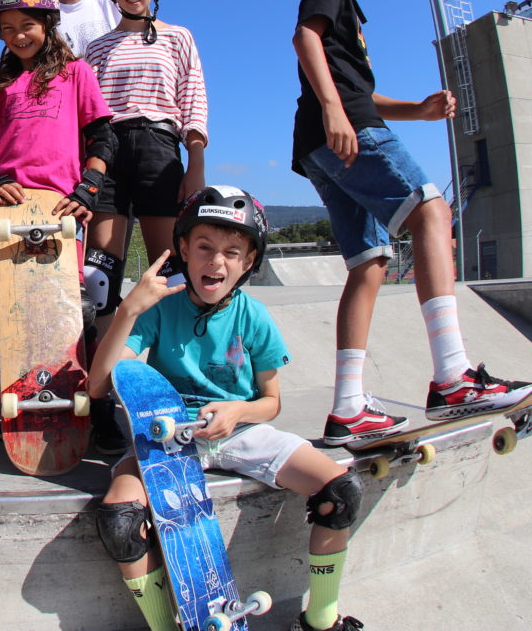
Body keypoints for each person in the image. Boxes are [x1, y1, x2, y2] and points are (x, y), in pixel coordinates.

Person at [291, 0, 532, 446]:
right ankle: (453, 376)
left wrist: (417, 111)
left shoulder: (354, 21)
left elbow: (361, 91)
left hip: (324, 141)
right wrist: (333, 110)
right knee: (432, 209)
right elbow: (305, 39)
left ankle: (348, 406)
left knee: (371, 264)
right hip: (343, 130)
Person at [89, 187, 365, 631]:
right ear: (183, 249)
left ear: (249, 261)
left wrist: (238, 412)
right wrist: (127, 312)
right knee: (121, 520)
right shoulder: (159, 311)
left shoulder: (254, 318)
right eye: (204, 248)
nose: (216, 262)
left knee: (341, 493)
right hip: (167, 439)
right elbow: (100, 384)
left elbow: (270, 402)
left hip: (240, 432)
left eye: (232, 252)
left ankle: (321, 619)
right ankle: (164, 625)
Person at [0, 0, 120, 452]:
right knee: (18, 310)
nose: (17, 35)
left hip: (61, 209)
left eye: (27, 24)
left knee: (67, 309)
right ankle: (21, 398)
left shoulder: (76, 74)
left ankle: (89, 405)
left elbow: (102, 136)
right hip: (10, 209)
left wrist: (89, 188)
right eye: (7, 28)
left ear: (48, 23)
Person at [83, 0, 208, 331]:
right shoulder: (97, 47)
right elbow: (89, 113)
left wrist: (196, 165)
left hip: (159, 147)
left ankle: (173, 360)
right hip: (109, 149)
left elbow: (193, 102)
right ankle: (100, 364)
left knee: (169, 264)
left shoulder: (179, 37)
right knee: (98, 271)